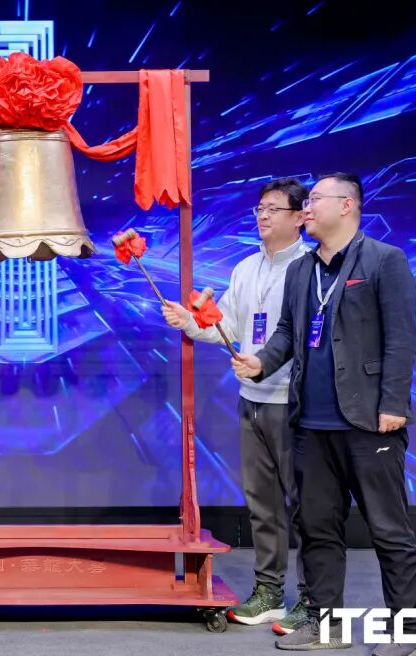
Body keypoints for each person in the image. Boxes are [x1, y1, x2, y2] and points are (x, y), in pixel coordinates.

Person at [231, 173, 416, 655]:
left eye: (316, 199)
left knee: (388, 531)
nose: (308, 207)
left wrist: (393, 404)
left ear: (348, 206)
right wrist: (261, 363)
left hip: (368, 423)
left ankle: (406, 634)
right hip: (310, 425)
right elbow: (286, 332)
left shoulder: (384, 260)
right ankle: (326, 626)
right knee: (317, 531)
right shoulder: (303, 270)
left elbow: (402, 339)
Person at [162, 177, 310, 633]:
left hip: (296, 404)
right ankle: (269, 590)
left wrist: (266, 363)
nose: (263, 215)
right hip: (252, 401)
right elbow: (224, 325)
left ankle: (313, 596)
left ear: (300, 217)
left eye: (273, 208)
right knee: (263, 504)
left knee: (307, 506)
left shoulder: (311, 268)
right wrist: (190, 322)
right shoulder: (246, 267)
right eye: (259, 208)